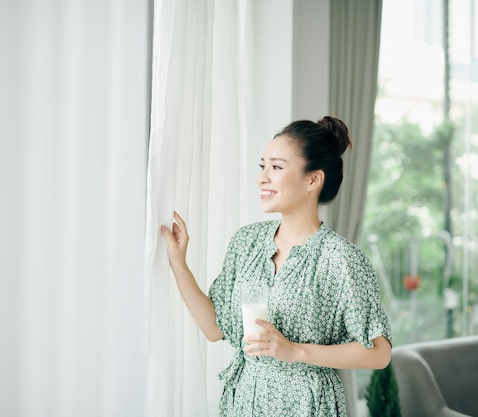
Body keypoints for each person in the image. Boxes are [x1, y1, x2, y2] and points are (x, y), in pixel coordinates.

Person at [161, 116, 392, 417]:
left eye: (277, 167)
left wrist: (294, 351)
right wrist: (179, 264)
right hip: (244, 400)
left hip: (307, 405)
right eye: (263, 166)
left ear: (313, 179)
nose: (262, 177)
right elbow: (214, 328)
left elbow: (379, 353)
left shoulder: (341, 258)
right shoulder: (247, 242)